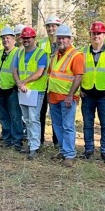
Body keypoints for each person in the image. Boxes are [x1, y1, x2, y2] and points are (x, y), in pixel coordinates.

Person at [79, 21, 105, 163]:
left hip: (104, 94)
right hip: (87, 93)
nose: (96, 36)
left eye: (99, 33)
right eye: (93, 33)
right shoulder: (83, 52)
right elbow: (77, 72)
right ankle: (88, 150)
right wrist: (79, 89)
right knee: (88, 123)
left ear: (104, 35)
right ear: (90, 35)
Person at [47, 24, 84, 166]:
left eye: (64, 38)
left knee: (68, 126)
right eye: (59, 38)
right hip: (53, 96)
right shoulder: (55, 55)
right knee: (57, 125)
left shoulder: (76, 55)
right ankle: (63, 151)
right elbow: (51, 74)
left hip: (67, 97)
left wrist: (70, 95)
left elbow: (78, 77)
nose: (61, 40)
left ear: (70, 39)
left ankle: (70, 155)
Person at [13, 26, 48, 160]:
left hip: (35, 91)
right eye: (24, 38)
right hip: (23, 90)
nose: (26, 40)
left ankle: (34, 146)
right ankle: (30, 143)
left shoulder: (41, 53)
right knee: (26, 119)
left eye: (28, 38)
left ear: (34, 38)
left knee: (34, 119)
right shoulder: (20, 53)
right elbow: (14, 70)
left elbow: (39, 72)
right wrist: (18, 83)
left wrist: (23, 82)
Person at [38, 14, 61, 146]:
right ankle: (40, 139)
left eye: (53, 26)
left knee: (55, 113)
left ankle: (57, 141)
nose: (51, 28)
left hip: (57, 84)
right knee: (40, 113)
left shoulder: (63, 43)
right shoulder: (41, 43)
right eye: (48, 26)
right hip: (42, 83)